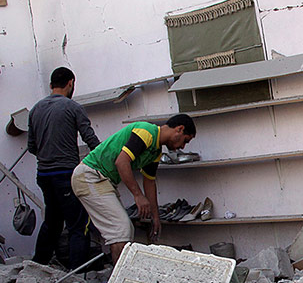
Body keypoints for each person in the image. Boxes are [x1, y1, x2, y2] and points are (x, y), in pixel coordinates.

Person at [71, 114, 196, 264]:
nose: (182, 147)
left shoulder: (155, 152)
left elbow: (149, 182)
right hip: (89, 176)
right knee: (121, 229)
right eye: (185, 141)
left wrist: (155, 217)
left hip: (101, 180)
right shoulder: (146, 131)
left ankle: (120, 275)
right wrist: (138, 196)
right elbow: (122, 162)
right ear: (179, 129)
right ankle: (118, 280)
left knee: (124, 230)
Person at [28, 67, 100, 269]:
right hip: (66, 174)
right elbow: (90, 139)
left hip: (44, 174)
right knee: (78, 224)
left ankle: (37, 265)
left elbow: (31, 147)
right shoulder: (72, 107)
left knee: (52, 222)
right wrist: (106, 158)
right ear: (71, 83)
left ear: (51, 85)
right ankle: (78, 272)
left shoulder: (35, 109)